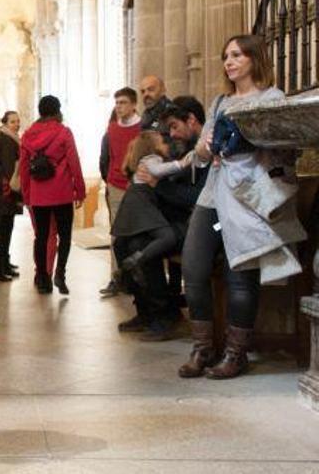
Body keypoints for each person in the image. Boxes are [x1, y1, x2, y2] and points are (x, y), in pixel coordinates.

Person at [179, 34, 305, 380]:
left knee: (240, 275)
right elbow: (201, 156)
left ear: (254, 58)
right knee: (193, 266)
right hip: (213, 197)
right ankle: (203, 348)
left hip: (248, 196)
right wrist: (207, 145)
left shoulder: (272, 98)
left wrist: (246, 139)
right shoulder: (220, 102)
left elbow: (286, 147)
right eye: (226, 56)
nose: (229, 61)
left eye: (237, 55)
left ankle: (236, 354)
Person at [112, 131, 193, 340]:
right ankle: (145, 311)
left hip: (186, 223)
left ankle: (164, 315)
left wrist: (159, 185)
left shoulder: (192, 157)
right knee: (122, 244)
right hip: (161, 218)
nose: (173, 135)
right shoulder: (158, 161)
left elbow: (192, 198)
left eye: (176, 128)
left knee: (140, 246)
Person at [19, 95, 86, 295]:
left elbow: (24, 168)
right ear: (58, 111)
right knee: (64, 237)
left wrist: (27, 195)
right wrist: (80, 190)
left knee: (41, 237)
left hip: (39, 195)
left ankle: (43, 279)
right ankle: (60, 275)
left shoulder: (28, 135)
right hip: (63, 193)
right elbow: (74, 162)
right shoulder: (64, 133)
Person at [99, 88, 141, 296]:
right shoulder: (112, 129)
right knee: (116, 232)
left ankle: (137, 276)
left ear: (134, 105)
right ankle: (116, 277)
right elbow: (106, 157)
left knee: (138, 232)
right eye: (117, 103)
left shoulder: (142, 128)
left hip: (137, 186)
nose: (119, 107)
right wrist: (109, 181)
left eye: (123, 102)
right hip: (115, 184)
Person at [0, 111, 23, 282]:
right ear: (5, 123)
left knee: (7, 229)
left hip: (7, 192)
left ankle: (5, 262)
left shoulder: (11, 138)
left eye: (18, 121)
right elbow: (8, 168)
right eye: (13, 122)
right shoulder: (4, 139)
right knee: (3, 231)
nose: (17, 124)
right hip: (5, 192)